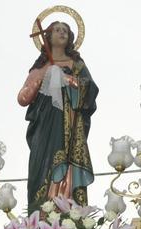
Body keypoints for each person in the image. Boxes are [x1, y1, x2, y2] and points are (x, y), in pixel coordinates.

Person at [17, 19, 98, 208]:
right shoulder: (40, 68)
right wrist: (43, 77)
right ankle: (42, 212)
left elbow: (90, 89)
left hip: (69, 125)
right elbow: (22, 98)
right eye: (57, 30)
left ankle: (68, 209)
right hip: (44, 125)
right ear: (48, 36)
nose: (62, 33)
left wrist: (68, 79)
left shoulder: (77, 64)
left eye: (65, 31)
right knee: (42, 164)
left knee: (66, 162)